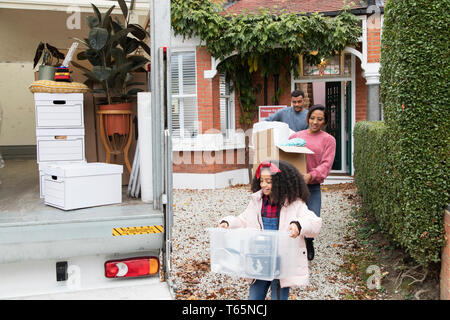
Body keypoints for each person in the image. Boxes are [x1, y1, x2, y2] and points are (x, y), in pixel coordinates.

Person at [218, 160, 322, 300]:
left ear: (281, 182)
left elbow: (314, 223)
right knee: (254, 297)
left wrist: (298, 225)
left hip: (281, 262)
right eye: (262, 181)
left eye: (269, 181)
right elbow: (243, 220)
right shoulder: (257, 202)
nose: (264, 185)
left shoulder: (295, 204)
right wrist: (227, 223)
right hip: (260, 260)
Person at [288, 104, 336, 261]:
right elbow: (286, 158)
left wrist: (311, 176)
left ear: (324, 122)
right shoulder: (295, 137)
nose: (315, 122)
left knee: (313, 217)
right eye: (313, 118)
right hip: (294, 186)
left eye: (320, 119)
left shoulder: (329, 140)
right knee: (292, 216)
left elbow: (326, 165)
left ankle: (309, 242)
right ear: (308, 118)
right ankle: (294, 248)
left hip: (312, 186)